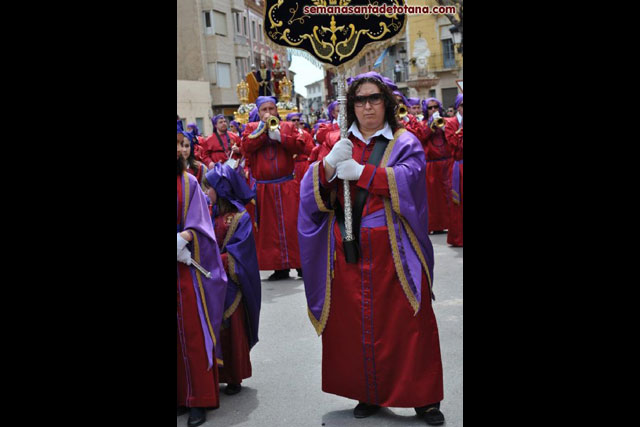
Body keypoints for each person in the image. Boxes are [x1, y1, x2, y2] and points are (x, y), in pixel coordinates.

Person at [298, 71, 445, 425]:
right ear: (350, 106)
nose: (367, 106)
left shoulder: (403, 141)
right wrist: (330, 165)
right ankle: (369, 392)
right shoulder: (337, 141)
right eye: (359, 100)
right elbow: (309, 197)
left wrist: (362, 173)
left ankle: (424, 399)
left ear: (387, 103)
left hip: (394, 248)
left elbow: (410, 180)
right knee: (355, 323)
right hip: (347, 248)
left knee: (408, 323)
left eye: (374, 98)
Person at [177, 121, 228, 427]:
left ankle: (198, 398)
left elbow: (201, 226)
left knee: (192, 332)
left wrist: (183, 239)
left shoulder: (188, 183)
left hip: (184, 269)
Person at [203, 163, 262, 396]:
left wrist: (214, 262)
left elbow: (241, 252)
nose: (206, 192)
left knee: (230, 329)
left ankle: (234, 376)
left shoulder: (240, 217)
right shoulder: (207, 213)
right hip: (207, 281)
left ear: (222, 188)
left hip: (229, 285)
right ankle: (215, 374)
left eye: (209, 188)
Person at [240, 96, 306, 280]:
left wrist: (280, 137)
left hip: (286, 185)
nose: (268, 113)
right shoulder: (251, 128)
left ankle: (300, 264)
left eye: (271, 109)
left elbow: (301, 147)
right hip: (265, 188)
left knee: (293, 225)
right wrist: (263, 132)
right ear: (258, 112)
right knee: (271, 230)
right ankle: (280, 268)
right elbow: (246, 148)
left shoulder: (287, 127)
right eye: (264, 109)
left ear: (277, 111)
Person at [404, 98, 453, 234]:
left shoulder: (447, 122)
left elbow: (453, 139)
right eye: (430, 108)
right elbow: (420, 138)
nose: (433, 110)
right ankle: (435, 225)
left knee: (449, 195)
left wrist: (444, 128)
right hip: (431, 164)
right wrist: (430, 126)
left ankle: (451, 224)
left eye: (435, 107)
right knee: (433, 198)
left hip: (447, 162)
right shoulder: (423, 123)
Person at [445, 94, 463, 247]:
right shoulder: (451, 122)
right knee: (458, 203)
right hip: (458, 165)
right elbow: (454, 144)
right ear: (458, 107)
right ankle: (459, 237)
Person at [287, 112, 315, 184]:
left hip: (303, 165)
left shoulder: (305, 134)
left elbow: (310, 150)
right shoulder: (285, 134)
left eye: (298, 120)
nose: (296, 122)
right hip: (289, 165)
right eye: (293, 120)